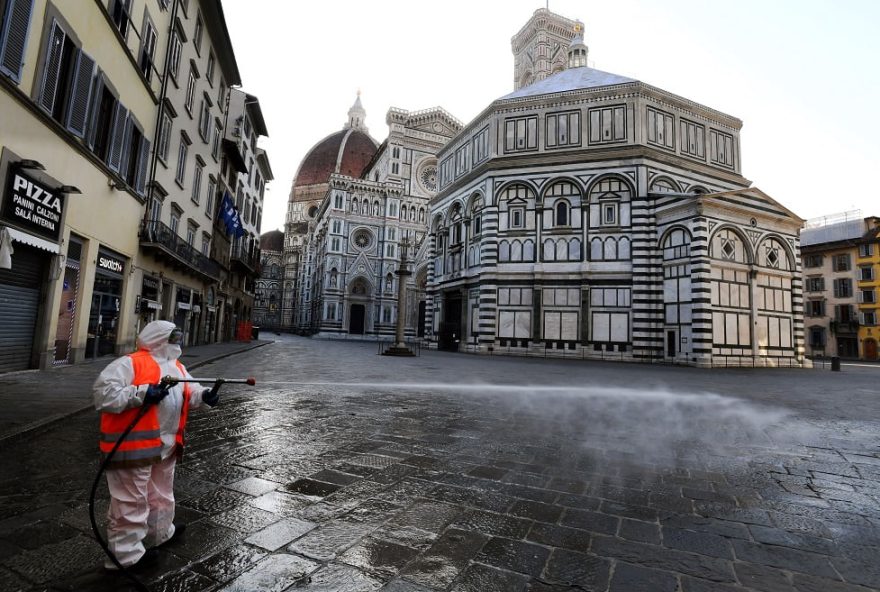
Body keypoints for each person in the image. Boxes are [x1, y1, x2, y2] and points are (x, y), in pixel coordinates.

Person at [93, 320, 221, 571]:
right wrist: (141, 393)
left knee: (161, 494)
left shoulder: (177, 367)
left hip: (166, 444)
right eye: (174, 338)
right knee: (131, 501)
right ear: (160, 338)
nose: (178, 342)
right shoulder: (130, 363)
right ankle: (125, 557)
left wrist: (205, 395)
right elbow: (103, 394)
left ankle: (159, 534)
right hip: (133, 447)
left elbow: (191, 391)